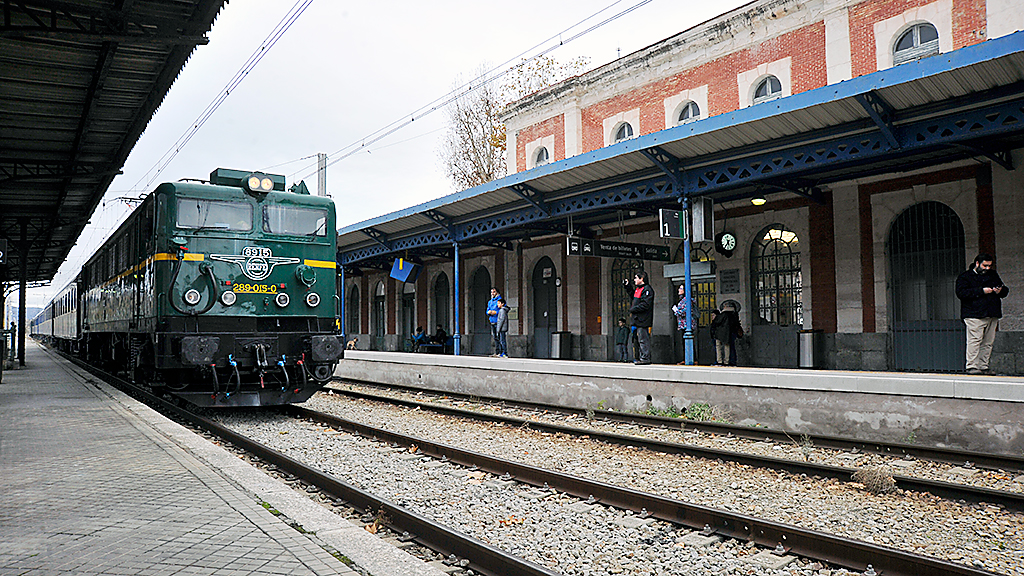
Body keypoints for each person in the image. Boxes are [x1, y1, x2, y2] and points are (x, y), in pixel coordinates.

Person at [955, 253, 1009, 374]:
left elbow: (1004, 290)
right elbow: (961, 293)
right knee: (975, 341)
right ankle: (972, 366)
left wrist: (1000, 290)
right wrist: (982, 291)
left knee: (988, 342)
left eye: (989, 265)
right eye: (985, 265)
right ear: (977, 263)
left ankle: (984, 366)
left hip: (991, 313)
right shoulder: (965, 277)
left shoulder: (993, 274)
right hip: (973, 314)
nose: (987, 268)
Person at [626, 271, 654, 365]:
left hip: (643, 319)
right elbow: (633, 296)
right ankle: (639, 357)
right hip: (637, 320)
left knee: (643, 339)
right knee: (637, 339)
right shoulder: (638, 290)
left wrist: (633, 309)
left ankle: (645, 358)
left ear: (641, 279)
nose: (634, 280)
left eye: (636, 278)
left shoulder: (647, 290)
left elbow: (646, 304)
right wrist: (628, 286)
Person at [720, 302, 742, 366]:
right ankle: (733, 360)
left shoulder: (724, 314)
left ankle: (728, 360)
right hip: (733, 332)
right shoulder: (734, 314)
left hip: (726, 332)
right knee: (732, 347)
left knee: (727, 347)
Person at [486, 287, 502, 356]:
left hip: (498, 321)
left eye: (494, 292)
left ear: (497, 292)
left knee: (499, 337)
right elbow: (487, 310)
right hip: (492, 321)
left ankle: (501, 352)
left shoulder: (500, 300)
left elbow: (502, 310)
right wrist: (488, 312)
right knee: (495, 337)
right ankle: (497, 352)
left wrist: (495, 312)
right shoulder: (490, 302)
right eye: (491, 292)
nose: (492, 293)